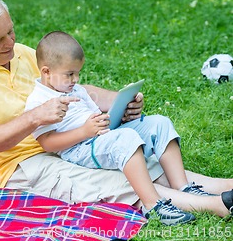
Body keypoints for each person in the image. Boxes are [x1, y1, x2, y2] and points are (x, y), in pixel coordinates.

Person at [0, 0, 233, 221]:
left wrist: (121, 102)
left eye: (11, 31)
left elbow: (68, 85)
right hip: (21, 163)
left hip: (67, 142)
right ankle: (217, 206)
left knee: (144, 163)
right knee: (117, 181)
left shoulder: (20, 53)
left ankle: (224, 185)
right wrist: (34, 118)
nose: (11, 42)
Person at [25, 31, 203, 225]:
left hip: (98, 136)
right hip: (78, 148)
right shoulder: (38, 101)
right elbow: (47, 144)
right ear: (46, 72)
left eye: (77, 73)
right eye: (70, 74)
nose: (76, 79)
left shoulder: (74, 89)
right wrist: (84, 131)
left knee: (159, 123)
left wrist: (120, 113)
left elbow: (97, 117)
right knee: (125, 139)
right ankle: (154, 206)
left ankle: (183, 186)